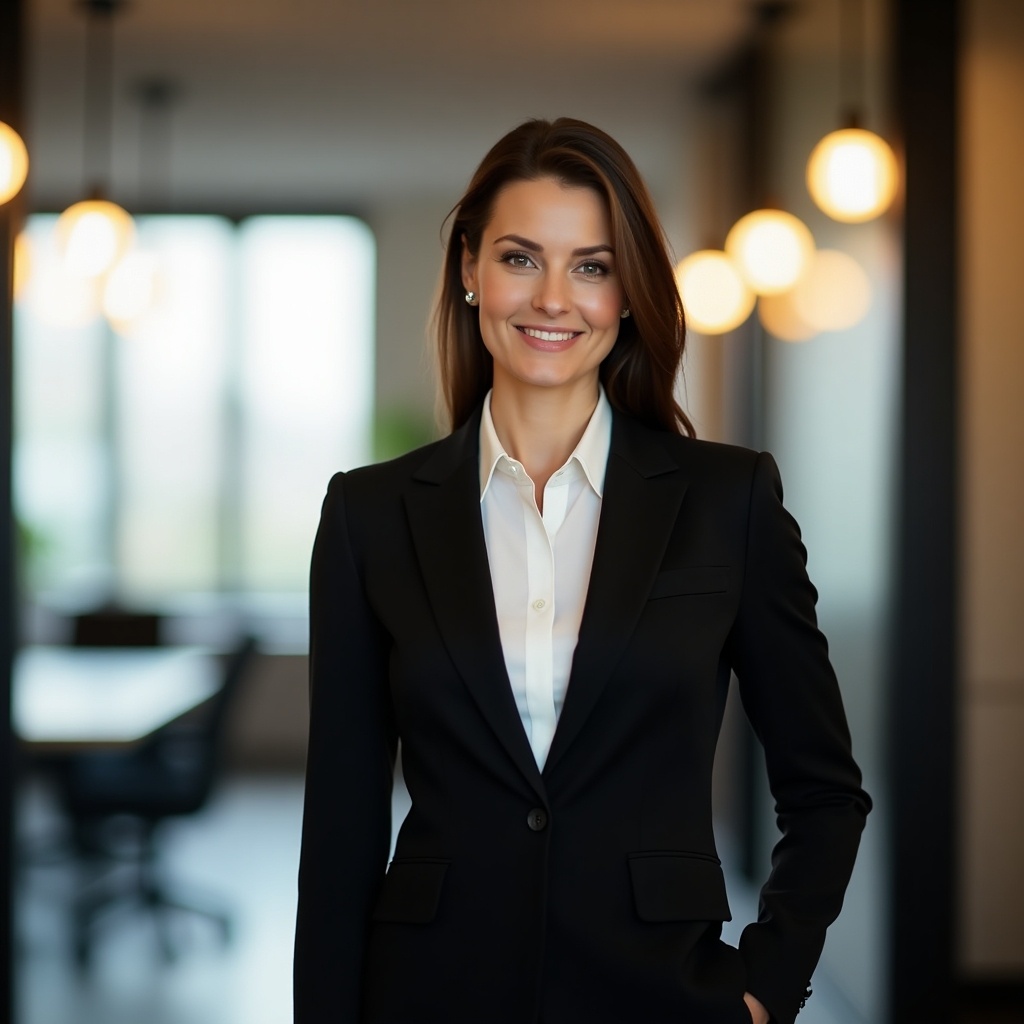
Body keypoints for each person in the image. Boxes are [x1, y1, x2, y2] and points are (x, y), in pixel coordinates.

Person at [294, 117, 871, 1024]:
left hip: (660, 994)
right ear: (469, 270)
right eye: (522, 259)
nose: (554, 298)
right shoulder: (370, 514)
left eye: (592, 266)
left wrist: (766, 989)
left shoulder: (729, 501)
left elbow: (825, 789)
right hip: (431, 993)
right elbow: (339, 826)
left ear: (629, 293)